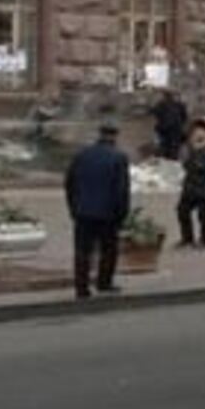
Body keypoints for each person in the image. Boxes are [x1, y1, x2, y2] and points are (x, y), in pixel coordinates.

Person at [66, 123, 132, 298]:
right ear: (115, 137)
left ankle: (81, 287)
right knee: (108, 250)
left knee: (82, 251)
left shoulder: (81, 155)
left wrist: (73, 208)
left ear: (99, 135)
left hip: (83, 211)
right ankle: (104, 282)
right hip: (108, 213)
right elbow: (121, 190)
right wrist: (122, 214)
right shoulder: (119, 157)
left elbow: (70, 184)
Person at [177, 119, 205, 249]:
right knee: (182, 211)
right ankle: (187, 238)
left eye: (200, 130)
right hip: (190, 185)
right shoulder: (191, 147)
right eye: (195, 131)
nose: (196, 133)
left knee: (204, 214)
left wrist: (198, 165)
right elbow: (185, 163)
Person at [150, 90, 188, 161]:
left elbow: (153, 112)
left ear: (164, 96)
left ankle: (167, 161)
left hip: (166, 132)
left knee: (165, 150)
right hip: (176, 132)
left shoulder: (161, 105)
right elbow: (184, 118)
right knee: (174, 150)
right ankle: (173, 160)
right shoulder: (179, 105)